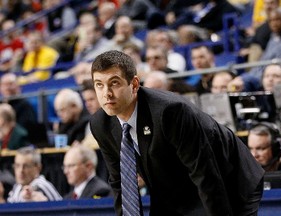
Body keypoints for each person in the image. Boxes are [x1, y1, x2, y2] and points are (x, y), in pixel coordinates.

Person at [90, 50, 264, 215]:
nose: (107, 94)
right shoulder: (101, 124)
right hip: (172, 185)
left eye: (114, 83)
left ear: (134, 84)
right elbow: (121, 183)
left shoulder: (169, 112)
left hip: (229, 179)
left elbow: (206, 175)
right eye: (99, 85)